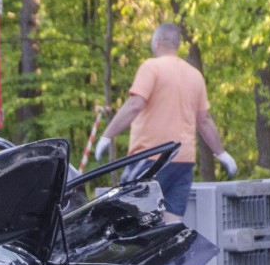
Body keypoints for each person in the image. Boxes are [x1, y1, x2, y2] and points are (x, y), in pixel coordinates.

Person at [95, 23, 237, 224]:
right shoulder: (195, 75)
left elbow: (135, 104)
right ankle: (171, 255)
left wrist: (107, 135)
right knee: (171, 223)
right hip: (183, 162)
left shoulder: (151, 67)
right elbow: (204, 120)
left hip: (153, 158)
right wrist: (222, 154)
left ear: (157, 42)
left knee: (127, 213)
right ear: (177, 45)